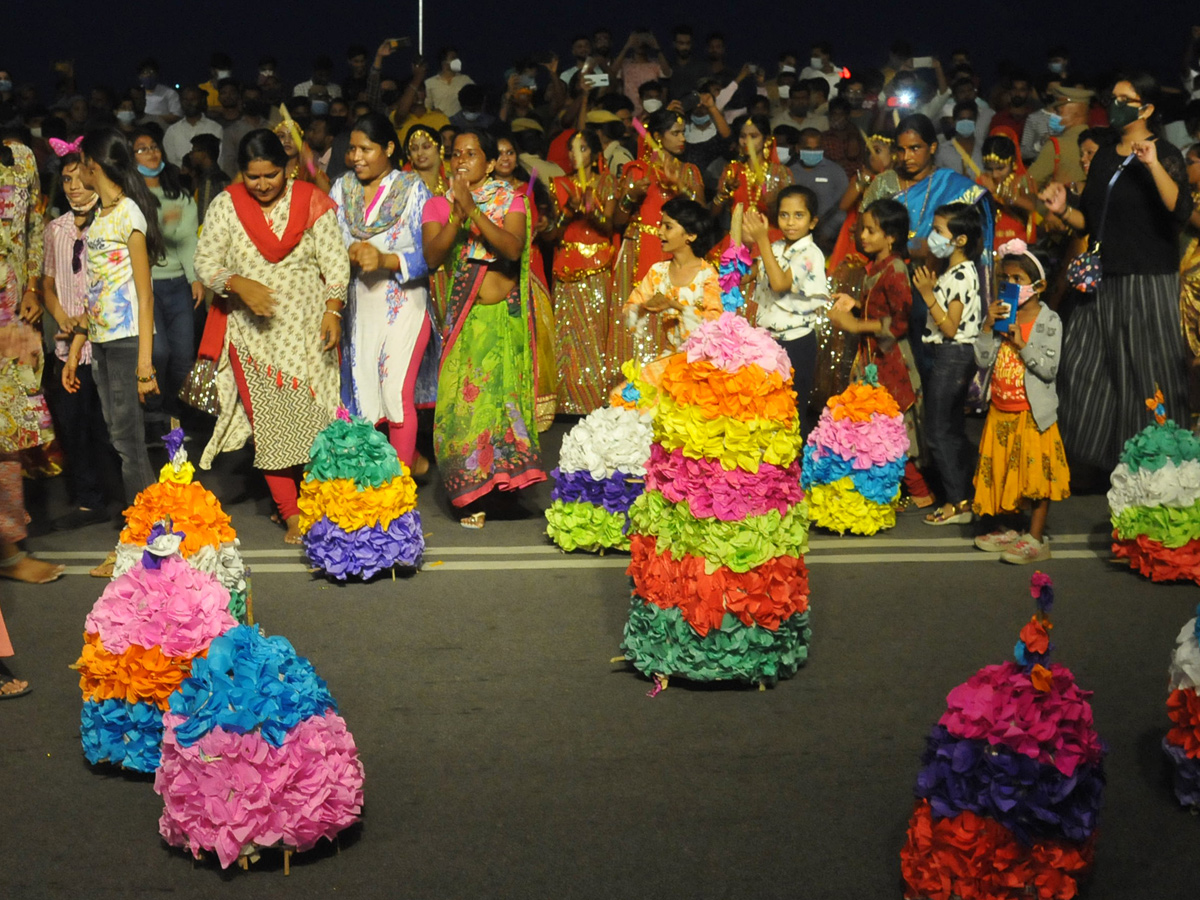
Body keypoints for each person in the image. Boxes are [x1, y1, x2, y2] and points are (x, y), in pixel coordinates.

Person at [192, 129, 348, 543]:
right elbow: (205, 262)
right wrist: (239, 283)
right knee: (272, 424)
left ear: (288, 167)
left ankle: (319, 500)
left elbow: (335, 263)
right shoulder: (227, 205)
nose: (262, 185)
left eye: (271, 175)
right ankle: (291, 512)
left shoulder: (311, 201)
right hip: (251, 336)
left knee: (317, 419)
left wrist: (333, 311)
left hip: (309, 333)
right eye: (253, 176)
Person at [1041, 73, 1194, 474]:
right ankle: (1101, 461)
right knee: (1082, 367)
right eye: (1114, 97)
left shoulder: (1167, 153)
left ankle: (1159, 468)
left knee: (1146, 373)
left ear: (1147, 109)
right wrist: (1062, 210)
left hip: (1147, 280)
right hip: (1103, 279)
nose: (1115, 103)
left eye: (1126, 99)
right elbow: (1089, 218)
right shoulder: (1106, 154)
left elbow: (1178, 211)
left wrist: (1153, 164)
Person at [421, 128, 545, 524]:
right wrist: (457, 217)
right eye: (456, 154)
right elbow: (432, 257)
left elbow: (511, 247)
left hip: (503, 325)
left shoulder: (513, 200)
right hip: (466, 323)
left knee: (502, 406)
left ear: (490, 163)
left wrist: (474, 210)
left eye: (471, 154)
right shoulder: (437, 206)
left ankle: (504, 483)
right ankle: (469, 494)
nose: (461, 161)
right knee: (466, 407)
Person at [60, 128, 160, 532]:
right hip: (100, 342)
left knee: (129, 443)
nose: (75, 173)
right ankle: (144, 531)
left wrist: (144, 365)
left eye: (80, 165)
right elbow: (95, 293)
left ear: (94, 166)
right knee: (119, 441)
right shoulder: (101, 215)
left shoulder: (128, 213)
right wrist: (75, 348)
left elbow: (145, 295)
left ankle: (149, 533)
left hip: (126, 342)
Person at [330, 113, 433, 472]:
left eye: (366, 149)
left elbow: (432, 254)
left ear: (389, 148)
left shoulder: (413, 189)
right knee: (364, 394)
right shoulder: (341, 190)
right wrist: (346, 255)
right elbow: (325, 244)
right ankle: (388, 472)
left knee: (394, 393)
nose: (356, 157)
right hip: (358, 305)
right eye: (352, 149)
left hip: (403, 302)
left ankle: (398, 489)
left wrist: (386, 258)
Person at [827, 197, 932, 508]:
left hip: (892, 362)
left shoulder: (897, 267)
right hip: (874, 359)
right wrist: (856, 305)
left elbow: (899, 322)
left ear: (891, 237)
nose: (863, 237)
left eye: (872, 231)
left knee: (892, 427)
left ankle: (921, 492)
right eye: (862, 230)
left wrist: (855, 325)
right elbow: (882, 307)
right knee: (876, 427)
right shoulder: (879, 267)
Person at [971, 240, 1068, 563]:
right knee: (1005, 471)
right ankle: (1011, 527)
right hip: (1002, 410)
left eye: (1019, 281)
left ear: (1038, 285)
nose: (1011, 287)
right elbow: (983, 361)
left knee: (1036, 478)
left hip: (1031, 414)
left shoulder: (1049, 320)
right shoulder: (1001, 316)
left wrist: (1022, 343)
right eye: (1006, 280)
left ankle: (1036, 538)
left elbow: (1049, 368)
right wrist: (987, 327)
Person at [41, 148, 113, 529]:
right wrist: (61, 318)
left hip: (103, 341)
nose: (74, 188)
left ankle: (119, 495)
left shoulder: (110, 222)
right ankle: (87, 495)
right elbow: (48, 283)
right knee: (72, 423)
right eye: (67, 180)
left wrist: (83, 321)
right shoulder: (56, 229)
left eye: (81, 179)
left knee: (106, 425)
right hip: (68, 344)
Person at [611, 108, 705, 363]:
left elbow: (702, 216)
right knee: (639, 314)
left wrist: (681, 188)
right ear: (657, 137)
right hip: (639, 251)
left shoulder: (690, 172)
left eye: (683, 132)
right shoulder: (637, 170)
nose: (682, 138)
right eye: (675, 133)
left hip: (677, 254)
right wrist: (631, 196)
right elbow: (617, 221)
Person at [911, 202, 985, 525]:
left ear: (961, 240)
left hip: (953, 353)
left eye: (940, 231)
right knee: (950, 429)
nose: (933, 236)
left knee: (938, 431)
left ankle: (958, 502)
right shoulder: (956, 270)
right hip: (951, 355)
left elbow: (951, 327)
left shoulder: (961, 273)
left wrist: (928, 294)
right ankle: (964, 496)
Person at [131, 126, 203, 431]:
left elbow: (187, 239)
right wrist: (160, 221)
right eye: (142, 148)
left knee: (184, 357)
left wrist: (195, 278)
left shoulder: (180, 196)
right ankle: (153, 413)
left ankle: (173, 414)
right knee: (158, 352)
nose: (150, 152)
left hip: (177, 285)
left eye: (154, 147)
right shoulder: (129, 199)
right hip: (145, 287)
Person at [745, 186, 827, 435]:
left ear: (813, 222)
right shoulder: (777, 246)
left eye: (799, 215)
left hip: (796, 342)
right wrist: (746, 245)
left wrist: (761, 241)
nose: (790, 222)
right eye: (784, 215)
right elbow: (748, 275)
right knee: (765, 406)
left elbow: (780, 283)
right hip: (767, 341)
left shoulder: (810, 254)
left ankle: (792, 468)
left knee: (792, 409)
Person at [548, 129, 617, 414]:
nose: (577, 154)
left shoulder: (607, 183)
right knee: (566, 331)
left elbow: (609, 225)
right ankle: (565, 401)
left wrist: (588, 210)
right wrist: (567, 212)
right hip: (566, 261)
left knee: (593, 330)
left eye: (584, 148)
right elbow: (551, 232)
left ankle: (594, 400)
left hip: (597, 263)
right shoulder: (559, 185)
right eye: (573, 149)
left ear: (595, 154)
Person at [621, 196, 722, 362]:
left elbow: (715, 323)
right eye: (661, 225)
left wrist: (673, 305)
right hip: (670, 360)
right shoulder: (658, 272)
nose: (660, 232)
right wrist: (645, 307)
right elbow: (630, 308)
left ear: (690, 235)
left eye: (668, 227)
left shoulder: (708, 276)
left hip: (702, 363)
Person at [711, 114, 792, 257]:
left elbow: (789, 217)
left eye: (753, 136)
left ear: (766, 139)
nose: (746, 141)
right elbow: (713, 214)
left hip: (771, 241)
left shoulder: (780, 173)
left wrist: (773, 204)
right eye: (743, 136)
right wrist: (724, 193)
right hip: (738, 240)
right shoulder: (732, 171)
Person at [788, 128, 848, 251]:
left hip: (830, 237)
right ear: (798, 148)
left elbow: (844, 206)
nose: (813, 152)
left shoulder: (836, 172)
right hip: (796, 235)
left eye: (817, 149)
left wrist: (827, 231)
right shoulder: (789, 173)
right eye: (809, 149)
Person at [1026, 86, 1092, 189]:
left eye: (1059, 112)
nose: (1053, 115)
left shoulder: (1056, 145)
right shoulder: (1099, 142)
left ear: (1077, 113)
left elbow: (1028, 183)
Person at [978, 132, 1036, 246]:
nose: (995, 174)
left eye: (1000, 168)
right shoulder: (980, 182)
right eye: (989, 169)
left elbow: (1031, 206)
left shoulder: (1022, 181)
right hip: (989, 244)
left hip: (1017, 244)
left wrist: (997, 193)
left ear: (1013, 162)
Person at [162, 85, 222, 166]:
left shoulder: (215, 128)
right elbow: (170, 161)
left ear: (201, 101)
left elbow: (219, 159)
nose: (189, 103)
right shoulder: (172, 131)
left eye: (193, 99)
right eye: (185, 100)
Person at [1180, 144, 1200, 367]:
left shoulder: (1186, 200)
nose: (1186, 168)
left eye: (1190, 162)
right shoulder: (1190, 195)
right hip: (1182, 276)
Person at [934, 101, 983, 178]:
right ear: (954, 122)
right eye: (961, 119)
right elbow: (938, 180)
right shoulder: (942, 151)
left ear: (975, 121)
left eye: (970, 119)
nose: (966, 122)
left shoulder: (984, 148)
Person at [190, 132, 229, 223]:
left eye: (194, 150)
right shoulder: (225, 176)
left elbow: (204, 217)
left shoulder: (208, 181)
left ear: (204, 154)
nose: (191, 154)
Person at [425, 48, 473, 118]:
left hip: (459, 124)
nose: (457, 61)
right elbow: (427, 107)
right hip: (439, 123)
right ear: (444, 62)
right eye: (453, 58)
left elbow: (477, 98)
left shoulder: (465, 80)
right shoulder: (430, 83)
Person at [136, 58, 182, 126]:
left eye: (151, 72)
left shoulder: (169, 93)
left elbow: (177, 116)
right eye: (145, 72)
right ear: (139, 76)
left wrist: (152, 118)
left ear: (157, 74)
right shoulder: (136, 94)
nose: (148, 75)